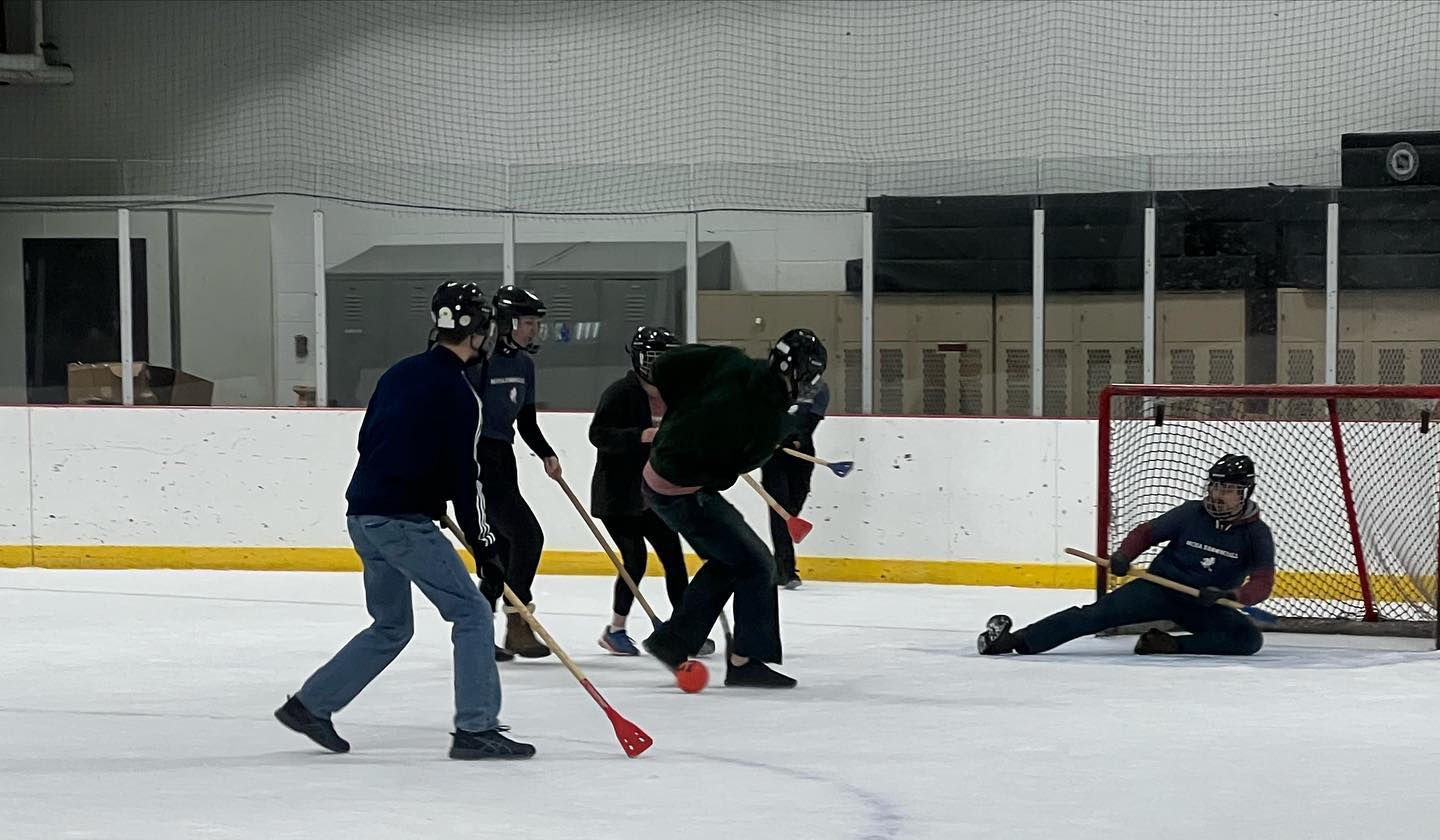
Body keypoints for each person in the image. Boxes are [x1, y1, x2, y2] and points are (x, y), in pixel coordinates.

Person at [275, 281, 534, 760]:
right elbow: (465, 476)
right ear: (477, 332)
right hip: (400, 522)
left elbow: (369, 440)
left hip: (364, 516)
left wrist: (419, 489)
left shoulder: (398, 373)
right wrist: (486, 546)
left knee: (391, 625)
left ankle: (311, 705)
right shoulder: (460, 395)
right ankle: (476, 729)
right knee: (473, 613)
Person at [640, 329, 828, 688]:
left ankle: (673, 642)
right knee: (757, 563)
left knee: (732, 559)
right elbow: (732, 471)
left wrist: (681, 412)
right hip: (686, 494)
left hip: (657, 479)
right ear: (792, 373)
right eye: (807, 377)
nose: (809, 386)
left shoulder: (730, 360)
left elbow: (666, 366)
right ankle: (744, 661)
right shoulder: (770, 422)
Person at [977, 454, 1274, 657]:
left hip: (1204, 602)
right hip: (1158, 588)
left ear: (1245, 492)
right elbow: (1147, 533)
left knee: (1248, 639)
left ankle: (1168, 646)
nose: (1217, 495)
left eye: (1228, 488)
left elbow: (1262, 584)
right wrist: (1123, 555)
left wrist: (1230, 596)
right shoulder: (1190, 512)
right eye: (1214, 486)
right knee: (1095, 614)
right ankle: (1017, 641)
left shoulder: (1256, 534)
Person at [588, 326, 712, 657]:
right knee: (636, 559)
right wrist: (639, 436)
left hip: (654, 495)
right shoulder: (621, 393)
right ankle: (615, 630)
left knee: (673, 557)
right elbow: (598, 434)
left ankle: (684, 628)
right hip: (619, 498)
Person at [465, 285, 561, 660]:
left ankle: (493, 633)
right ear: (506, 322)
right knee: (526, 536)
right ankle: (517, 619)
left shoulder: (524, 365)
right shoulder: (479, 363)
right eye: (527, 323)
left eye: (536, 323)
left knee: (502, 550)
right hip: (476, 459)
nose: (533, 330)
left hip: (504, 456)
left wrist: (546, 453)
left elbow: (527, 421)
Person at [761, 378, 830, 589]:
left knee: (792, 508)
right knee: (780, 510)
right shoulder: (772, 384)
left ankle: (777, 564)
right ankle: (786, 569)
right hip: (773, 454)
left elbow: (811, 421)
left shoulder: (819, 388)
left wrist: (797, 438)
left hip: (802, 453)